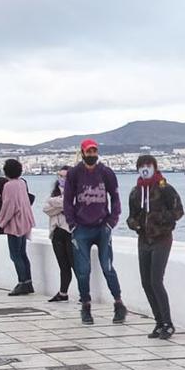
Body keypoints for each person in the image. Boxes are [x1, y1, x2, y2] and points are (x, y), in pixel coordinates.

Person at [60, 139, 128, 325]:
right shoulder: (74, 174)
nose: (92, 155)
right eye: (88, 152)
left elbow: (115, 198)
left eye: (94, 151)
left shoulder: (106, 173)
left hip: (102, 227)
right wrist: (72, 224)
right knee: (83, 271)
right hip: (81, 229)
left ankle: (119, 303)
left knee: (107, 267)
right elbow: (67, 201)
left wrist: (111, 222)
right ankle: (86, 306)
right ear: (82, 153)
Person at [128, 154, 184, 337]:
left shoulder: (166, 188)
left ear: (154, 166)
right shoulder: (135, 192)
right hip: (143, 240)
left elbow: (178, 211)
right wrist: (134, 223)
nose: (145, 168)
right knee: (146, 282)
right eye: (141, 166)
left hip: (162, 238)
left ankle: (168, 322)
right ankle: (159, 321)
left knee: (156, 281)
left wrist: (159, 218)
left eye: (148, 165)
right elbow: (132, 215)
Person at [0, 158, 36, 295]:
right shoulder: (22, 183)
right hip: (25, 221)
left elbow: (9, 206)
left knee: (15, 255)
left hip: (15, 223)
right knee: (23, 254)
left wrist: (1, 221)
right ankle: (28, 282)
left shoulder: (8, 186)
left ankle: (22, 282)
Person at [43, 168, 76, 302]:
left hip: (70, 232)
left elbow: (72, 205)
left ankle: (84, 293)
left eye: (65, 176)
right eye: (60, 176)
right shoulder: (55, 193)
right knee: (63, 265)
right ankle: (63, 293)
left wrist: (56, 203)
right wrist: (62, 205)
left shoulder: (76, 192)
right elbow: (46, 208)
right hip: (56, 232)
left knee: (75, 264)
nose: (62, 179)